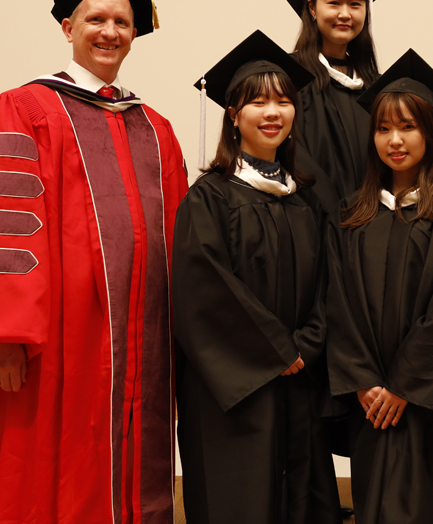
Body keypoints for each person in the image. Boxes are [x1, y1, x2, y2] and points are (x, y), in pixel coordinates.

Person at [0, 0, 188, 524]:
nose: (109, 31)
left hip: (144, 344)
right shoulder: (25, 110)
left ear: (135, 33)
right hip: (58, 343)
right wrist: (1, 336)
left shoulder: (154, 127)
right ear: (67, 27)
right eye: (96, 19)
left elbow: (182, 241)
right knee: (47, 475)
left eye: (122, 22)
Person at [172, 30, 341, 524]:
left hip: (298, 375)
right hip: (238, 387)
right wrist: (277, 349)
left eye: (283, 101)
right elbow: (204, 288)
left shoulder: (305, 197)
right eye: (258, 101)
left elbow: (329, 284)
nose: (273, 113)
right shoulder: (211, 196)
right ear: (233, 113)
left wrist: (308, 343)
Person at [326, 50, 433, 524]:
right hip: (370, 403)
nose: (394, 140)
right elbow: (338, 305)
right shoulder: (353, 214)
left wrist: (404, 386)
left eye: (408, 127)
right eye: (383, 128)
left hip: (428, 404)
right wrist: (363, 381)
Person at [277, 0, 381, 212]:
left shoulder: (375, 86)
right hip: (306, 217)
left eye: (355, 4)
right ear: (312, 7)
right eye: (334, 2)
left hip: (369, 222)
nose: (345, 14)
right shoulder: (289, 78)